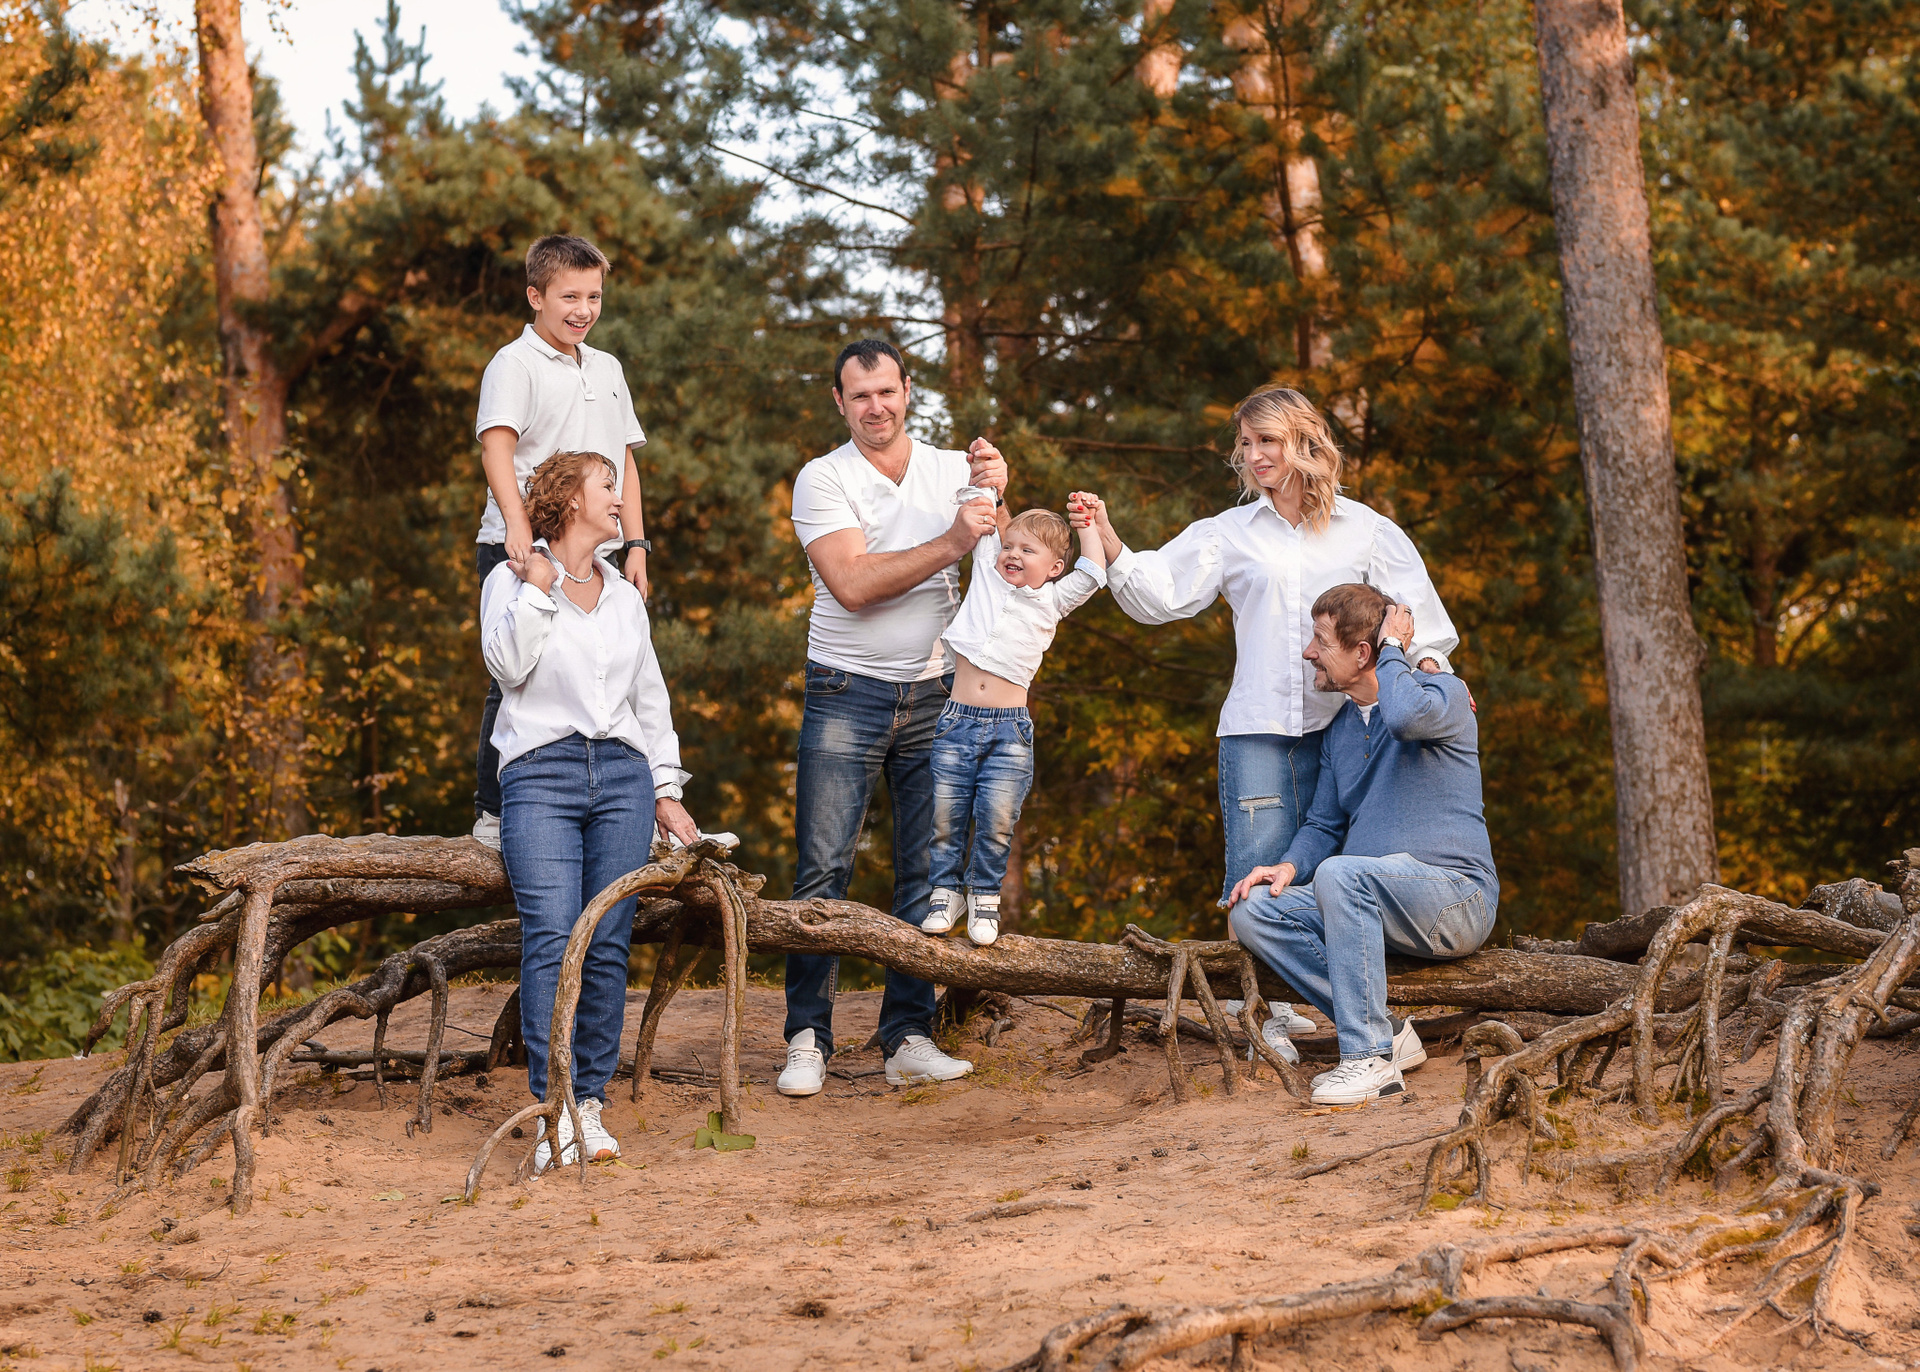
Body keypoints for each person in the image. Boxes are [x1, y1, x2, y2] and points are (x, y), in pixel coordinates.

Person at [1079, 385, 1457, 1046]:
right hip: (1256, 732)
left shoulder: (1367, 530)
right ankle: (1262, 1017)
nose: (1255, 455)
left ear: (1304, 443)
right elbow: (1160, 594)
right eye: (1247, 443)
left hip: (1349, 729)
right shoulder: (1229, 533)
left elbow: (1415, 617)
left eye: (1269, 441)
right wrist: (1107, 539)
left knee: (1334, 874)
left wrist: (1432, 673)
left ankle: (1361, 1019)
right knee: (1254, 879)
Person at [778, 339, 1009, 1096]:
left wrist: (998, 496)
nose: (876, 407)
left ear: (908, 390)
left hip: (939, 692)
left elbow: (1008, 568)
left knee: (927, 869)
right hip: (846, 689)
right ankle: (807, 1038)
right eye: (860, 395)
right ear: (839, 403)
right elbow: (851, 585)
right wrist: (953, 539)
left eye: (887, 391)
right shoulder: (824, 477)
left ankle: (907, 1035)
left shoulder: (951, 470)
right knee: (824, 868)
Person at [483, 449, 701, 1170]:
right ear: (571, 499)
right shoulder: (511, 578)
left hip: (622, 777)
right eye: (609, 486)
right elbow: (506, 667)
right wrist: (538, 591)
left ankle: (591, 1103)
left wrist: (665, 790)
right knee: (552, 936)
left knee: (608, 939)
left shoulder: (624, 597)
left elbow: (649, 699)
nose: (621, 499)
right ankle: (556, 1111)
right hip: (539, 774)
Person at [1227, 583, 1498, 1106]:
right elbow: (1325, 825)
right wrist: (1287, 867)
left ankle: (1369, 1060)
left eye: (1321, 641)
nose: (1309, 652)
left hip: (1456, 901)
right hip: (1371, 903)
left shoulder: (1442, 695)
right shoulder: (1341, 731)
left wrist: (1396, 647)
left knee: (1341, 873)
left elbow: (1404, 718)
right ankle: (1388, 1032)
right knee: (1254, 909)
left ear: (1362, 653)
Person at [471, 234, 653, 852]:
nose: (584, 309)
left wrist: (636, 543)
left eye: (594, 296)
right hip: (521, 543)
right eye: (569, 296)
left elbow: (625, 462)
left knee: (607, 666)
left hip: (596, 551)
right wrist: (519, 528)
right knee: (514, 677)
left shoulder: (607, 368)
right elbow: (497, 449)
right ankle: (493, 811)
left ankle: (620, 797)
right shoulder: (513, 364)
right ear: (536, 296)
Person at [924, 498, 1108, 946]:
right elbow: (985, 515)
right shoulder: (987, 573)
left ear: (1055, 568)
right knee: (946, 816)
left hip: (1009, 732)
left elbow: (1093, 571)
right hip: (956, 722)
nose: (1013, 555)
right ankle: (945, 893)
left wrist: (1086, 521)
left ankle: (984, 897)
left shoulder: (1054, 600)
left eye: (1028, 550)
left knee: (996, 820)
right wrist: (989, 485)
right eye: (1009, 546)